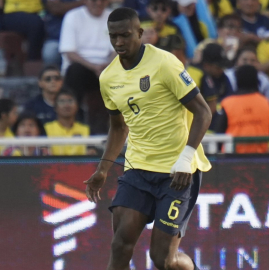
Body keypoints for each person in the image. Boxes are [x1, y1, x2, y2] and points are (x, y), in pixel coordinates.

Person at [85, 8, 211, 270]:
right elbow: (118, 128)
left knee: (163, 260)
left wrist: (186, 158)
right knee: (120, 244)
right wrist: (103, 169)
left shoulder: (165, 63)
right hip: (138, 170)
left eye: (125, 35)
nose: (119, 42)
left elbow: (203, 112)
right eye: (113, 36)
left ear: (140, 33)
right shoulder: (108, 78)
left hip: (177, 173)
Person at [59, 0, 115, 134]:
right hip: (82, 67)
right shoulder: (73, 16)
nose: (99, 3)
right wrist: (93, 67)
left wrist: (106, 65)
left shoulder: (114, 17)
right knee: (76, 71)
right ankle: (76, 122)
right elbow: (69, 52)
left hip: (108, 67)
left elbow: (118, 50)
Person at [215, 65, 269, 153]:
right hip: (260, 158)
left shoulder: (227, 103)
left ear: (237, 80)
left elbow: (219, 133)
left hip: (231, 160)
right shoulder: (265, 103)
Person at [44, 88, 91, 155]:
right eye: (62, 101)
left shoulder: (86, 129)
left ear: (77, 106)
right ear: (55, 107)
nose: (66, 105)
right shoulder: (46, 128)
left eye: (70, 101)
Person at [42, 0, 85, 66]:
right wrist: (83, 3)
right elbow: (56, 8)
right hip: (56, 37)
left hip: (84, 39)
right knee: (50, 53)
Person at [199, 43, 233, 115]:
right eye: (218, 67)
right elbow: (212, 107)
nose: (222, 70)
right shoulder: (199, 76)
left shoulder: (223, 77)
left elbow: (231, 99)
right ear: (206, 65)